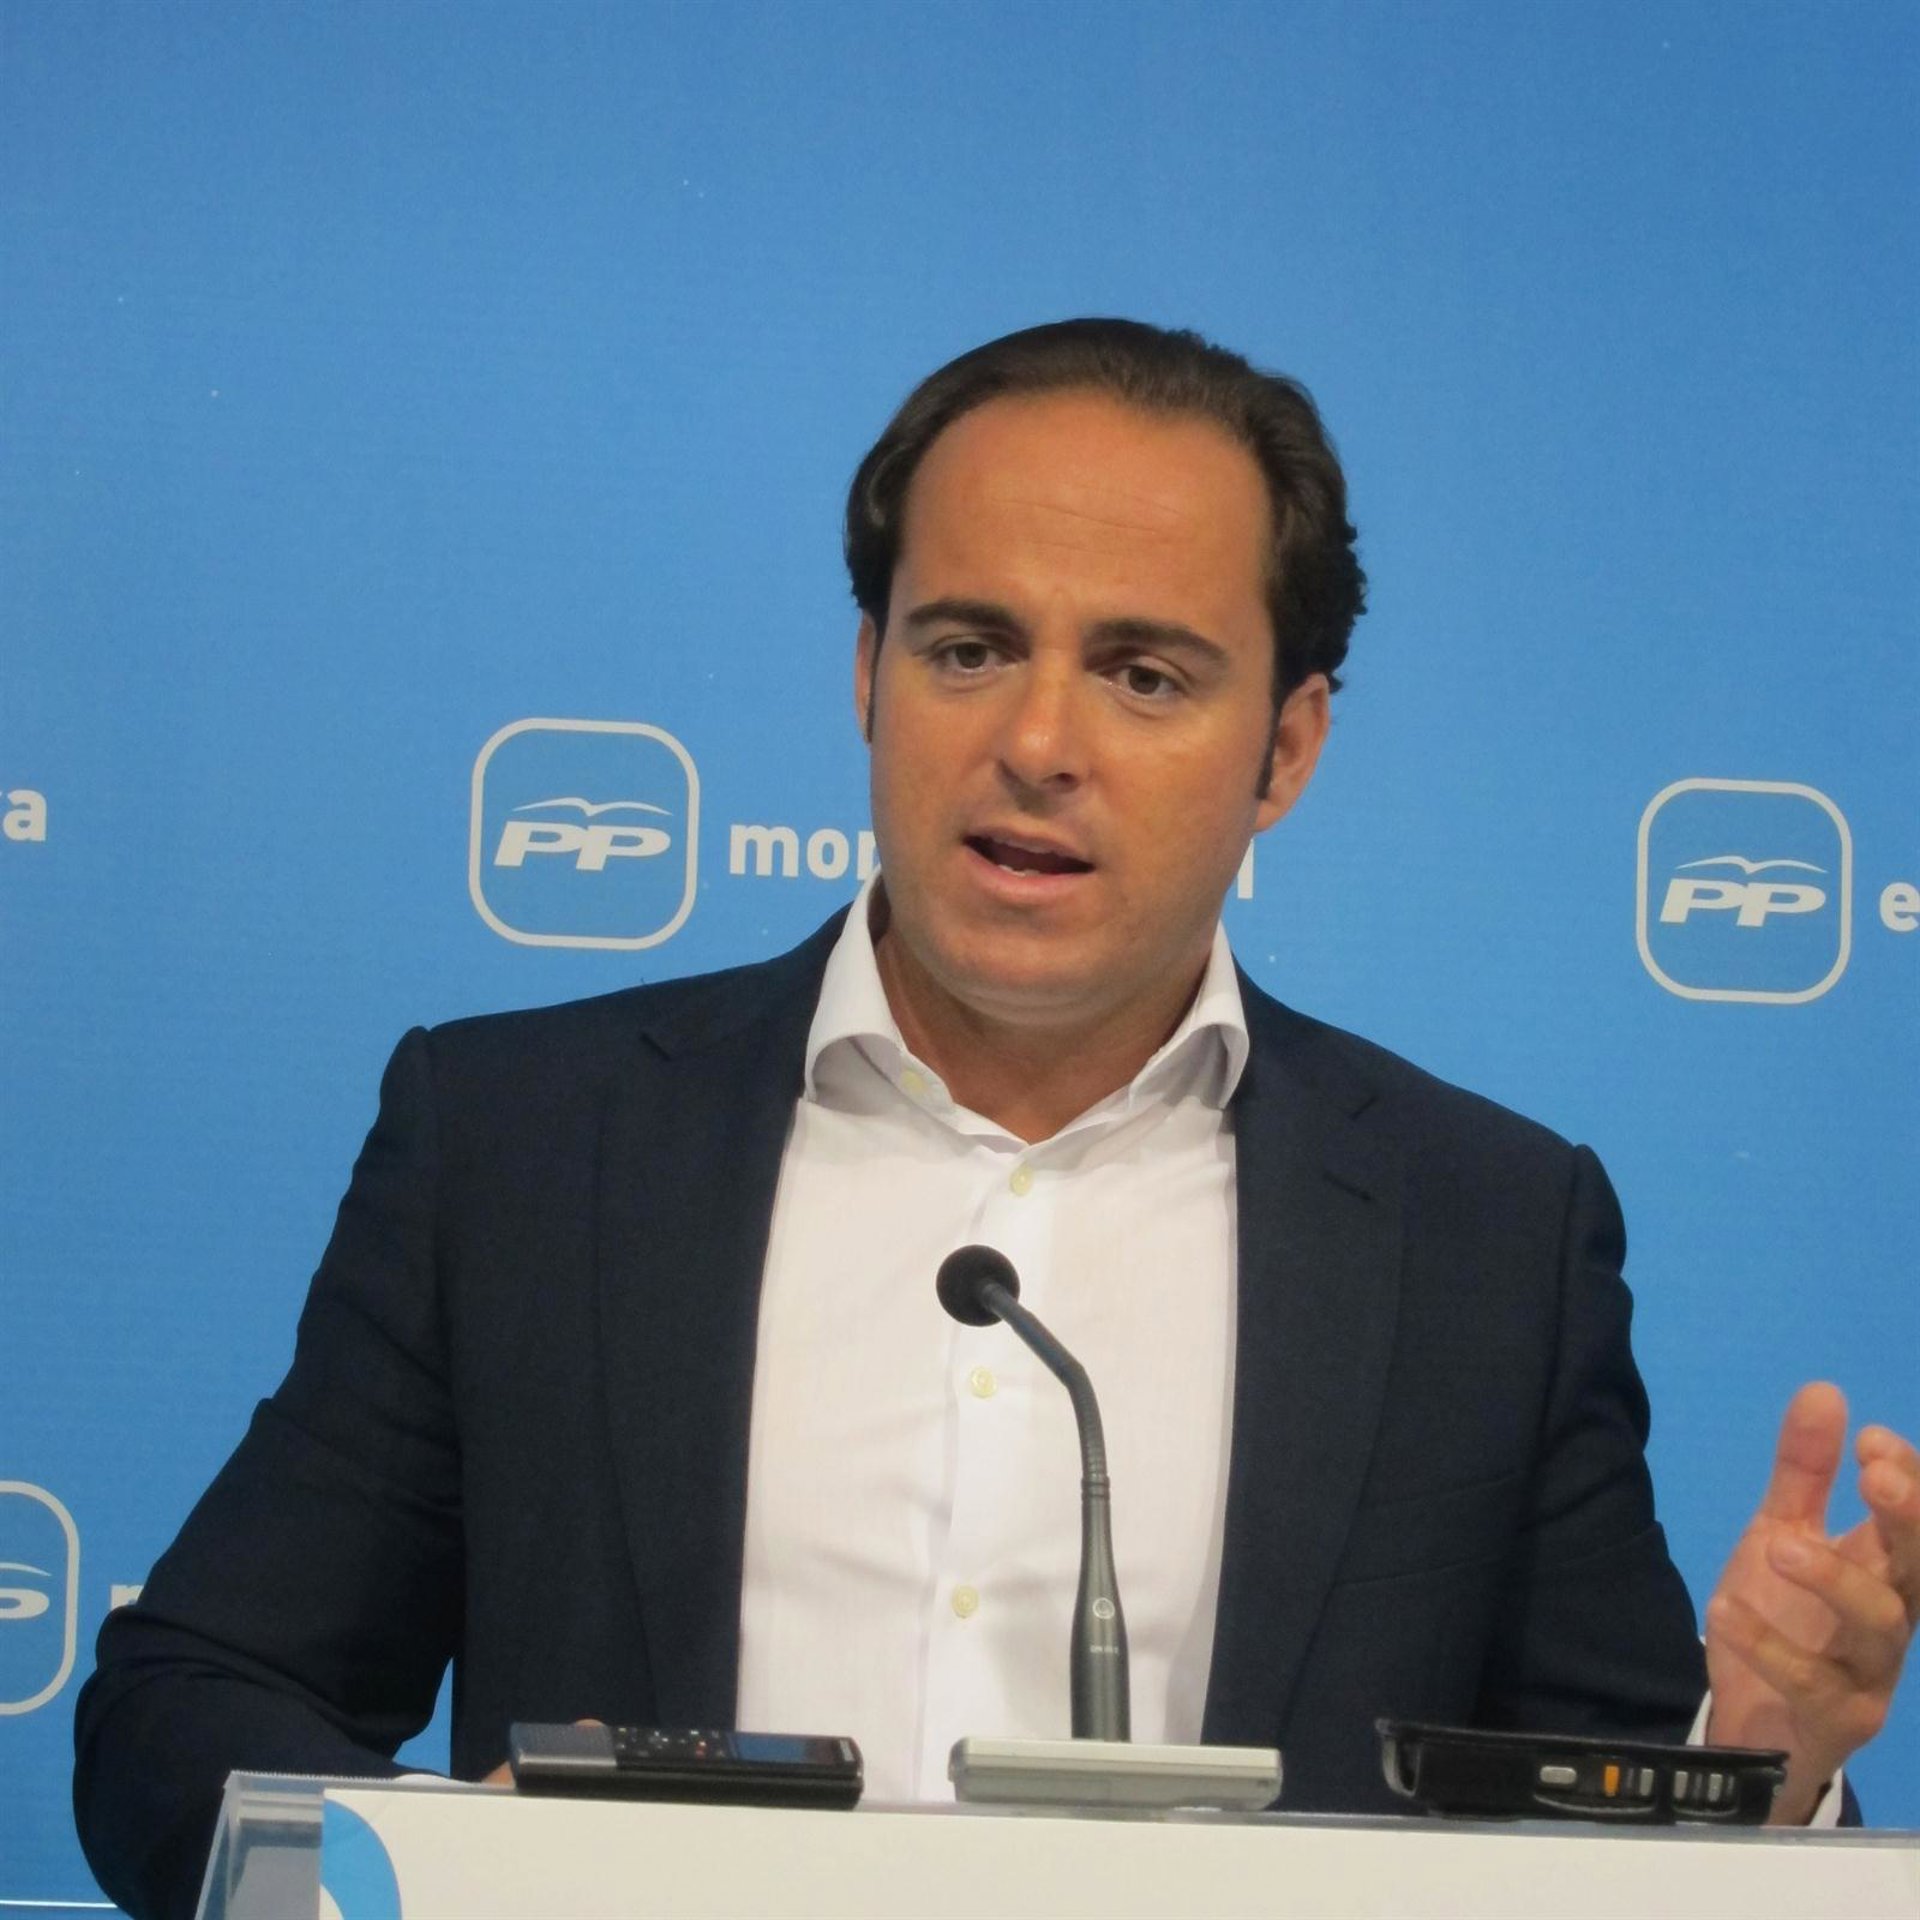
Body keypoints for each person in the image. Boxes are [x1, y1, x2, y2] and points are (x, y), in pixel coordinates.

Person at [73, 321, 1918, 1919]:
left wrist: (1762, 1773)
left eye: (1144, 673)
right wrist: (446, 1885)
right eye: (966, 648)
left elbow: (1606, 1836)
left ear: (1287, 748)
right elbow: (193, 1701)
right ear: (865, 673)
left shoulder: (1486, 1232)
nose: (1038, 742)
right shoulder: (529, 1144)